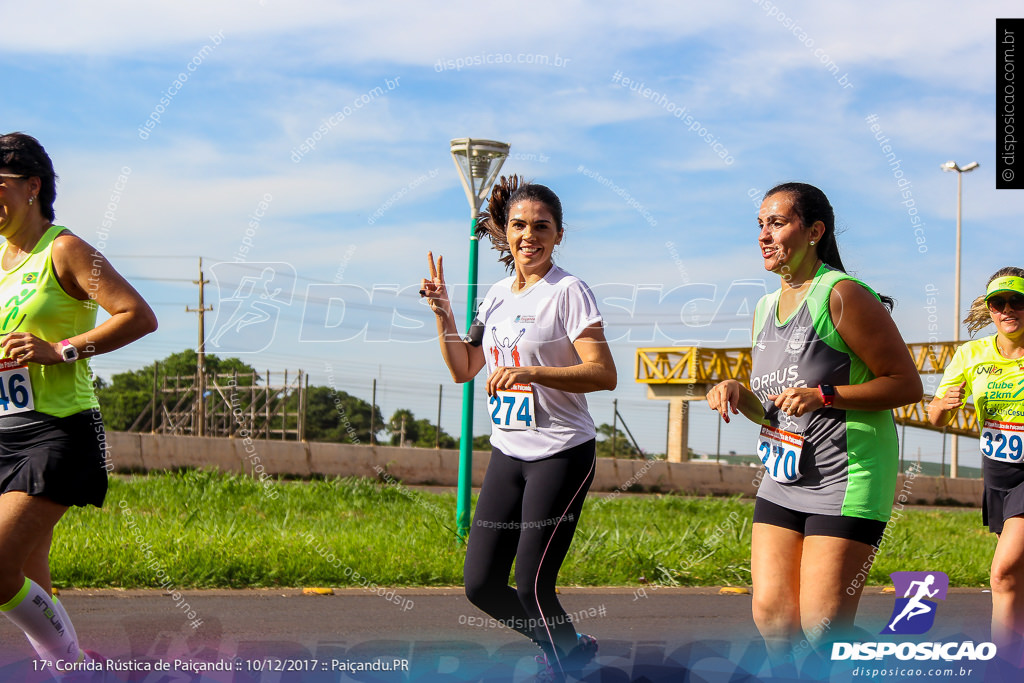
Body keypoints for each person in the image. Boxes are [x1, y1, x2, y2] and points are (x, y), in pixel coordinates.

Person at [706, 182, 922, 661]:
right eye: (760, 224)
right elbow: (776, 408)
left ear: (814, 231)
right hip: (784, 477)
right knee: (773, 618)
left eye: (777, 223)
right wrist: (739, 394)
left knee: (822, 627)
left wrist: (826, 395)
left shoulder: (841, 294)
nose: (764, 235)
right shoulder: (764, 308)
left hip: (847, 477)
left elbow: (906, 385)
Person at [420, 175, 615, 680]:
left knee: (531, 585)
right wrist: (442, 313)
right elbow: (465, 367)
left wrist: (532, 371)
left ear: (559, 234)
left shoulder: (568, 292)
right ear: (505, 232)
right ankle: (568, 644)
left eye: (542, 227)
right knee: (481, 585)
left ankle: (566, 664)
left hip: (562, 453)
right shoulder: (496, 295)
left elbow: (603, 373)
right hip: (509, 452)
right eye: (520, 225)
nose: (530, 235)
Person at [0, 133, 157, 670]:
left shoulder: (65, 250)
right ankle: (70, 667)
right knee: (28, 572)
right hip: (5, 430)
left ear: (32, 186)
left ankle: (74, 667)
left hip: (59, 430)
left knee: (0, 567)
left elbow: (137, 314)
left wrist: (59, 349)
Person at [928, 267, 1024, 656]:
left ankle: (1001, 664)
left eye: (1016, 300)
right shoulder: (971, 354)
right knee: (1015, 578)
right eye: (998, 303)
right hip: (997, 472)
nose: (1007, 309)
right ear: (989, 309)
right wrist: (946, 405)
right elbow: (935, 416)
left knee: (1001, 573)